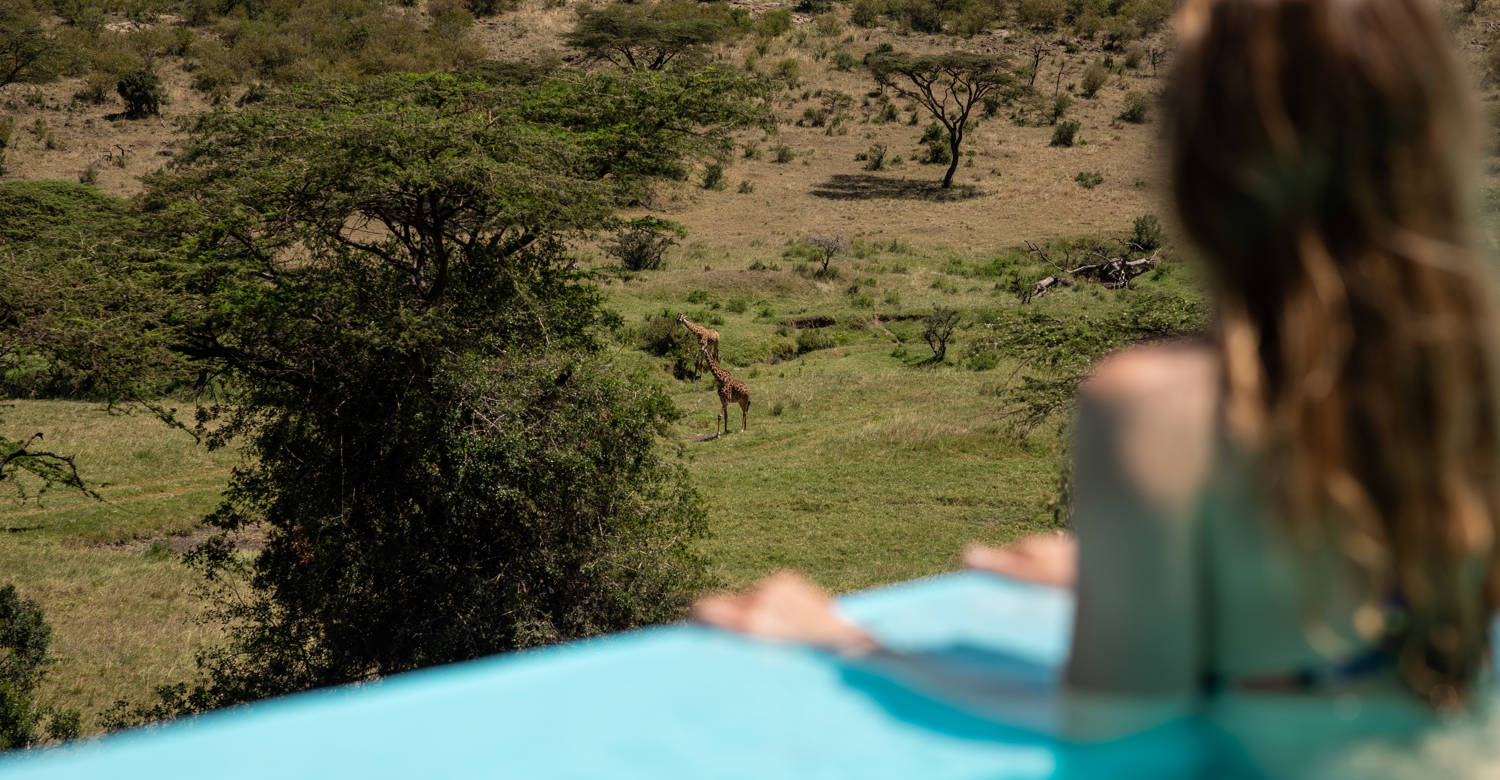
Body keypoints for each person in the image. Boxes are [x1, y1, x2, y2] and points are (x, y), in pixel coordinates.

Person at [694, 0, 1500, 770]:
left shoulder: (1163, 408)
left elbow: (1111, 730)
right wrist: (1126, 579)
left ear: (1198, 161)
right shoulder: (1472, 368)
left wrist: (850, 646)